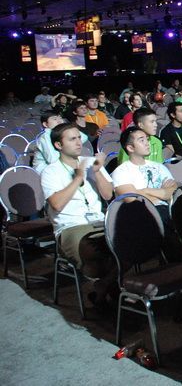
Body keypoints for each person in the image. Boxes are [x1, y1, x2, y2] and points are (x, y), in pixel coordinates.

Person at [40, 123, 115, 305]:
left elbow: (107, 195)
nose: (79, 142)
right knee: (97, 254)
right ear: (58, 145)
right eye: (72, 139)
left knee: (131, 244)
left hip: (98, 221)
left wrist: (97, 172)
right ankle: (111, 288)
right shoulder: (50, 171)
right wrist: (79, 178)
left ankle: (104, 287)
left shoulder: (91, 162)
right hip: (71, 226)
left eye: (79, 137)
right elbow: (57, 204)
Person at [111, 126, 182, 259]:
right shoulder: (121, 172)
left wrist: (145, 191)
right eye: (141, 140)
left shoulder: (159, 167)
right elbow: (132, 199)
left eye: (147, 139)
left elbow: (172, 190)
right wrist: (162, 192)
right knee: (163, 218)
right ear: (130, 148)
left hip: (168, 209)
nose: (147, 143)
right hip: (143, 215)